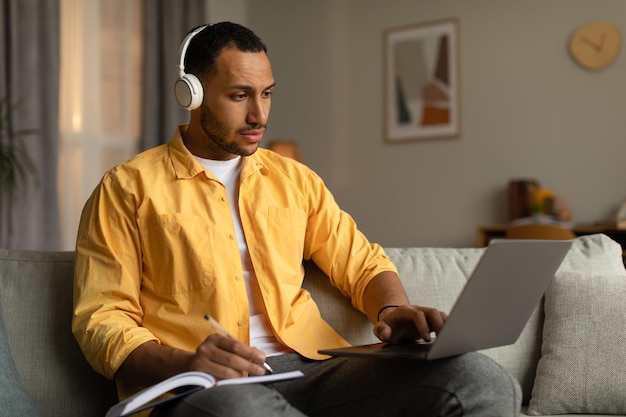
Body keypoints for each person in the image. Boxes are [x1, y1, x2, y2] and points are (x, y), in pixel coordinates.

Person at [72, 22, 521, 417]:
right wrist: (187, 363)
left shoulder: (294, 180)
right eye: (239, 96)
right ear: (191, 94)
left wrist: (392, 308)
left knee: (478, 378)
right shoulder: (126, 187)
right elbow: (102, 319)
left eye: (266, 93)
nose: (259, 115)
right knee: (239, 408)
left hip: (309, 370)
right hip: (202, 385)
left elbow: (362, 262)